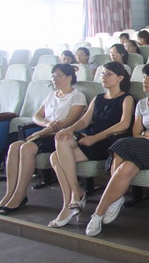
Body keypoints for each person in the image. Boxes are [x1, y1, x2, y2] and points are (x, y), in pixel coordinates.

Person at [85, 62, 149, 236]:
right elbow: (136, 133)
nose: (144, 81)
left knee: (121, 143)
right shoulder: (142, 104)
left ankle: (99, 212)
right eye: (144, 77)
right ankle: (108, 205)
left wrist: (146, 134)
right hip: (142, 148)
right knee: (125, 167)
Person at [48, 62, 134, 228]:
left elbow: (124, 124)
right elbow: (84, 121)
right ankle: (75, 194)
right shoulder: (98, 98)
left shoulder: (126, 98)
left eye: (108, 74)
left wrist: (95, 138)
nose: (103, 77)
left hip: (108, 141)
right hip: (89, 136)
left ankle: (74, 199)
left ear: (120, 78)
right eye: (102, 74)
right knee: (61, 139)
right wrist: (69, 129)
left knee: (55, 158)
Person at [0, 64, 86, 214]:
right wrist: (46, 124)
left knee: (26, 147)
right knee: (14, 147)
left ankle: (20, 195)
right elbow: (36, 116)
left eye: (58, 75)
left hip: (59, 136)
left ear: (69, 77)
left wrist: (44, 131)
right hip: (44, 132)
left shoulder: (77, 96)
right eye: (53, 76)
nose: (54, 79)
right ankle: (9, 193)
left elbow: (69, 121)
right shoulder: (52, 95)